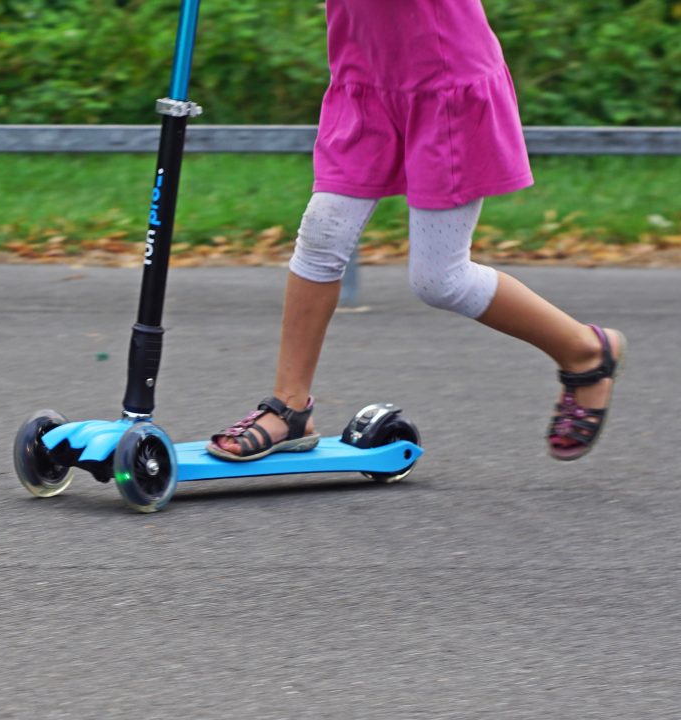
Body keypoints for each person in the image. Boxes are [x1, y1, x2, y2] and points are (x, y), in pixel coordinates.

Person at [207, 0, 626, 463]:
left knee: (440, 280)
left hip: (445, 85)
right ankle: (289, 408)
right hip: (363, 82)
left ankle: (585, 350)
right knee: (322, 236)